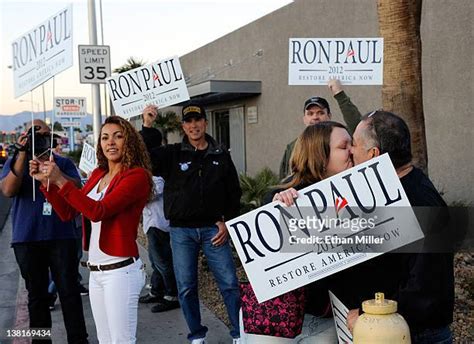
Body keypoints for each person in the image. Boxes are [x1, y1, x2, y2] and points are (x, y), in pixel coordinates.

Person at [31, 116, 152, 343]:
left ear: (130, 141)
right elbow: (69, 212)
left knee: (121, 341)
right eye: (105, 137)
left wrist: (60, 181)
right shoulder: (98, 174)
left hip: (120, 272)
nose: (111, 142)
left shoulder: (137, 176)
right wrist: (46, 182)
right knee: (105, 340)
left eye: (118, 136)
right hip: (96, 272)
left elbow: (98, 211)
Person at [346, 110, 454, 343]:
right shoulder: (393, 189)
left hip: (412, 334)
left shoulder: (419, 202)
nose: (350, 151)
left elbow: (425, 286)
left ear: (374, 154)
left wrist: (367, 314)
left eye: (354, 144)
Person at [242, 121, 353, 343]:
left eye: (353, 144)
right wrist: (274, 209)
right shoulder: (282, 198)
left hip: (327, 321)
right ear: (320, 156)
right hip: (275, 321)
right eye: (344, 146)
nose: (352, 150)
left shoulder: (357, 197)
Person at [151, 102, 242, 344]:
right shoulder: (172, 154)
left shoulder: (220, 155)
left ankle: (239, 333)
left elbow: (234, 193)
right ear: (183, 126)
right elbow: (144, 156)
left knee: (230, 284)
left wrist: (226, 222)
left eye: (197, 120)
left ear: (205, 122)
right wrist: (148, 125)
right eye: (188, 121)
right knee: (186, 286)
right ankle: (197, 335)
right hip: (181, 232)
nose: (193, 125)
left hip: (214, 229)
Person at [0, 119, 88, 344]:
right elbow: (8, 190)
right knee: (37, 296)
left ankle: (78, 340)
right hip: (27, 238)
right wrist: (21, 154)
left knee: (69, 292)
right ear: (25, 138)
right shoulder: (15, 161)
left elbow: (78, 187)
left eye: (44, 135)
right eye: (34, 136)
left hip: (61, 235)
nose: (39, 140)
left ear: (51, 139)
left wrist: (56, 175)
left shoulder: (62, 163)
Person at [138, 105, 179, 313]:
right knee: (155, 259)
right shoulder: (145, 168)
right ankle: (157, 290)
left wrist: (134, 194)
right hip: (151, 220)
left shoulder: (159, 167)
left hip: (160, 221)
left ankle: (172, 294)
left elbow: (152, 192)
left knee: (162, 260)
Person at [279, 80, 361, 180]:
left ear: (329, 116)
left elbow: (358, 127)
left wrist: (339, 94)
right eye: (310, 114)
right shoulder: (293, 147)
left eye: (320, 113)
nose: (315, 117)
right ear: (304, 119)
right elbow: (285, 180)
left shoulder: (340, 138)